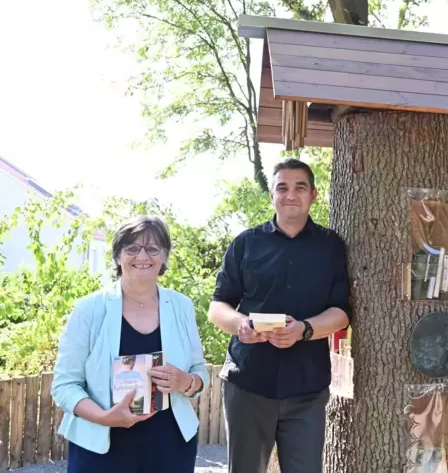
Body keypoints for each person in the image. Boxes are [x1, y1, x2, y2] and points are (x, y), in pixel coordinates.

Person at [209, 158, 352, 473]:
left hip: (307, 388)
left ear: (314, 194)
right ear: (271, 194)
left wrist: (304, 329)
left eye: (300, 187)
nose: (291, 194)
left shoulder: (331, 247)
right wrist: (241, 325)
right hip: (248, 382)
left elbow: (342, 312)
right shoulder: (246, 243)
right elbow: (217, 306)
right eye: (282, 187)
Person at [51, 216, 209, 473]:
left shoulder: (182, 306)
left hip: (170, 445)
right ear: (117, 257)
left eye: (152, 248)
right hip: (102, 445)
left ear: (164, 256)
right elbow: (64, 385)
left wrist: (188, 383)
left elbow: (199, 371)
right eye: (132, 248)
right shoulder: (89, 309)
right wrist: (104, 418)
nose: (142, 256)